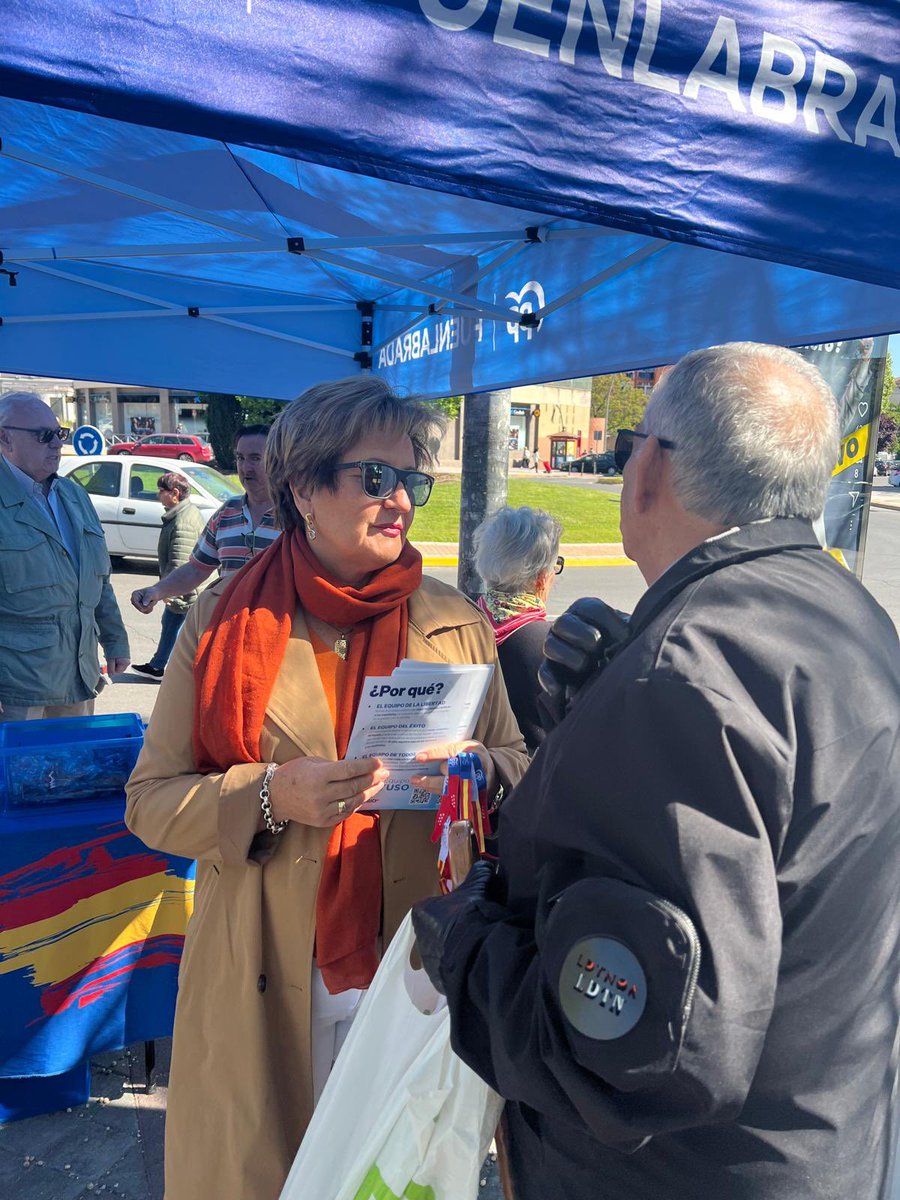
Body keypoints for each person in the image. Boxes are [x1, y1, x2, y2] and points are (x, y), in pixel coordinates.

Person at [412, 343, 900, 1200]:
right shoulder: (844, 610)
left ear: (648, 471)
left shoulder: (682, 676)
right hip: (822, 1140)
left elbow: (639, 1047)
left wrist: (465, 942)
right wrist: (581, 741)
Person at [124, 377, 528, 1200]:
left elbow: (518, 761)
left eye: (412, 482)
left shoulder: (457, 622)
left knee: (384, 1174)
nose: (400, 503)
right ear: (303, 487)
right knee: (269, 1175)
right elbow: (152, 800)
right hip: (265, 970)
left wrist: (472, 770)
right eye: (375, 479)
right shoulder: (223, 621)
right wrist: (272, 795)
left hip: (408, 969)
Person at [0, 391, 130, 720]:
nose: (57, 444)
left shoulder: (74, 496)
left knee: (74, 770)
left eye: (59, 434)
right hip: (17, 688)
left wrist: (115, 639)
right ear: (5, 438)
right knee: (21, 772)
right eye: (44, 436)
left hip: (78, 675)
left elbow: (98, 578)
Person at [130, 424, 277, 613]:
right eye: (240, 458)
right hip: (230, 627)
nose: (246, 467)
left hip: (282, 634)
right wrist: (156, 591)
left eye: (256, 458)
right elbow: (196, 569)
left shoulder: (297, 515)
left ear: (276, 461)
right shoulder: (227, 513)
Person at [473, 506, 562, 753]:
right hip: (530, 785)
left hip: (467, 784)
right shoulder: (555, 646)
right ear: (542, 578)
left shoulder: (462, 626)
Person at [132, 472, 206, 679]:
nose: (158, 495)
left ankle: (167, 670)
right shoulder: (182, 513)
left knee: (176, 630)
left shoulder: (182, 522)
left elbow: (180, 562)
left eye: (161, 490)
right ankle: (159, 666)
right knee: (172, 627)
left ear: (175, 494)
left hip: (186, 592)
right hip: (185, 590)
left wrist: (168, 591)